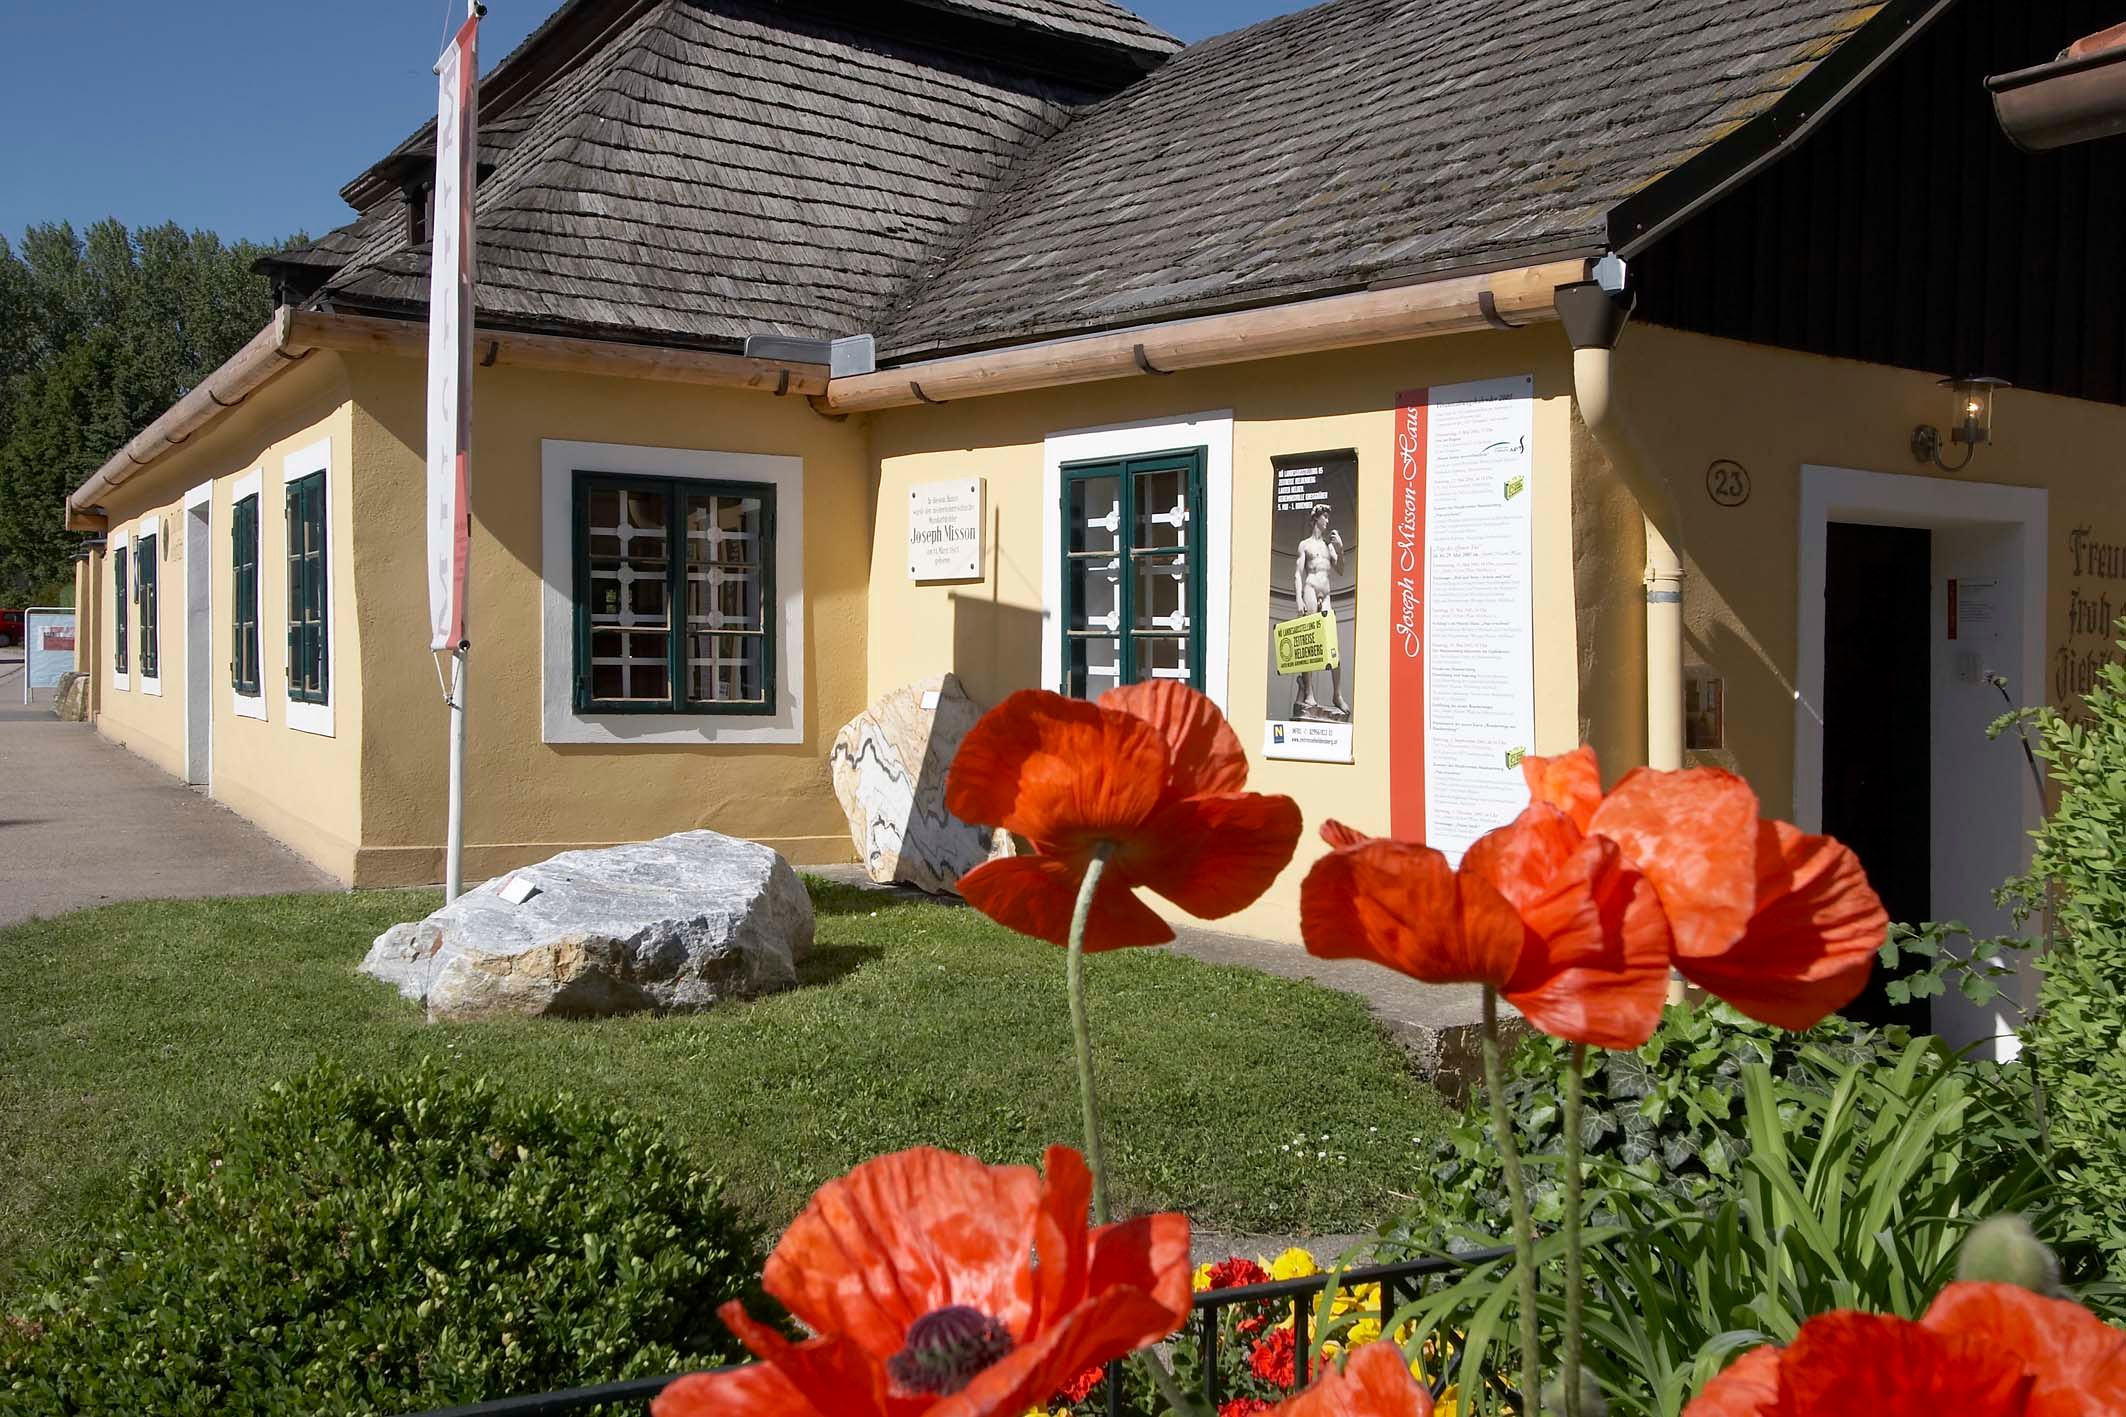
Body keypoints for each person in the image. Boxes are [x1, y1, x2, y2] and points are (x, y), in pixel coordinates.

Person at [1292, 504, 1348, 718]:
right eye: (1325, 517)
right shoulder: (1305, 545)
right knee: (1310, 643)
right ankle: (1309, 693)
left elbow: (1341, 570)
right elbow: (1298, 573)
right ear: (1316, 519)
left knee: (1332, 645)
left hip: (1327, 592)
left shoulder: (1329, 546)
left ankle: (1337, 694)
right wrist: (1298, 597)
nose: (1327, 521)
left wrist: (1341, 549)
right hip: (1310, 588)